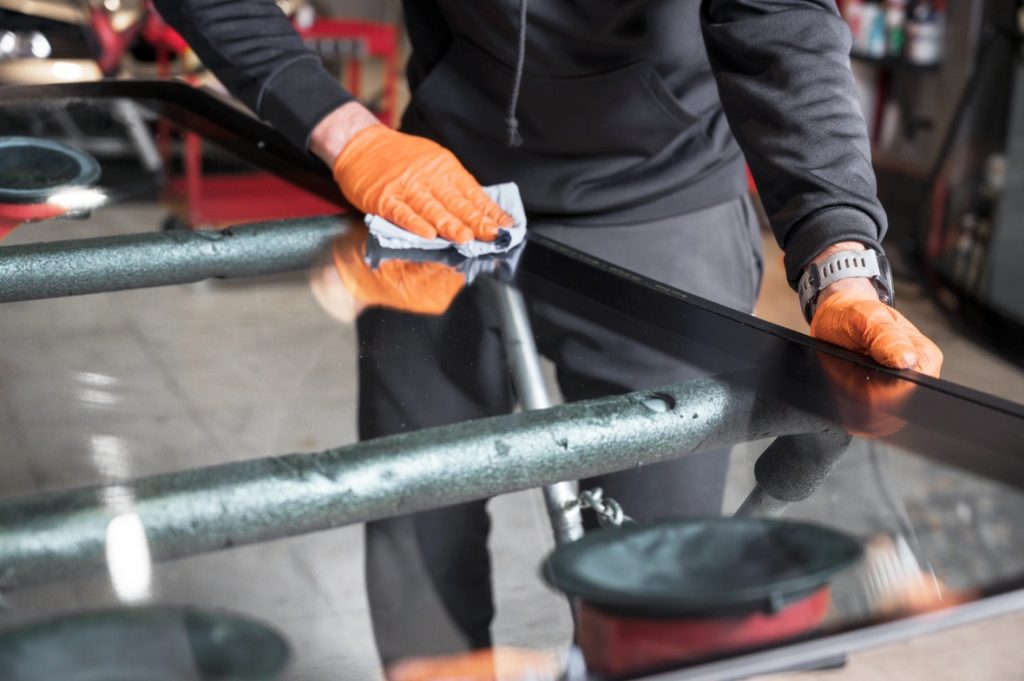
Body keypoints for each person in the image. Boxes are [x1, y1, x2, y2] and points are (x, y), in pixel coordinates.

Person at [152, 0, 943, 675]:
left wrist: (840, 262)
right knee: (413, 507)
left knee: (657, 582)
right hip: (436, 184)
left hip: (662, 195)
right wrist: (345, 132)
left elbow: (780, 19)